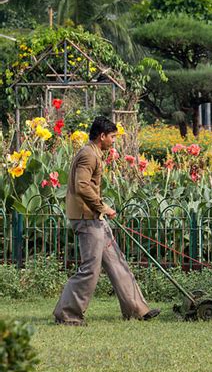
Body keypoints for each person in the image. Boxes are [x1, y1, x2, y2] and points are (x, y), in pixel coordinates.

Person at [54, 116, 160, 326]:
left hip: (94, 217)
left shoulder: (93, 153)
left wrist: (100, 211)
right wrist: (103, 207)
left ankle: (137, 310)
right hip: (86, 219)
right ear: (102, 136)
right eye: (112, 137)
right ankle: (67, 315)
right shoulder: (88, 155)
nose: (114, 141)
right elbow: (82, 185)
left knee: (117, 262)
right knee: (90, 269)